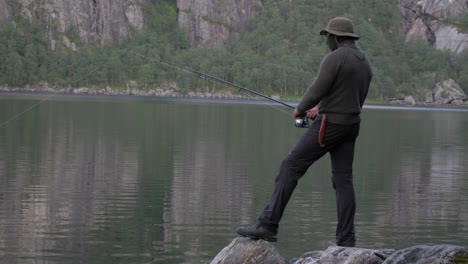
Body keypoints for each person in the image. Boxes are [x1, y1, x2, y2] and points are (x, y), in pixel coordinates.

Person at [236, 17, 373, 247]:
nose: (326, 40)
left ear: (337, 38)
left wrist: (300, 109)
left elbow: (317, 88)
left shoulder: (335, 58)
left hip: (330, 126)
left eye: (327, 36)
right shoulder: (364, 61)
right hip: (351, 126)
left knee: (290, 166)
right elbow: (349, 96)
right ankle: (346, 240)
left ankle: (268, 225)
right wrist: (318, 110)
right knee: (343, 180)